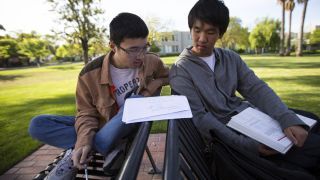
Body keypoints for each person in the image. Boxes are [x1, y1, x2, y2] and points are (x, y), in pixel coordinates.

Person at [169, 0, 320, 177]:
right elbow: (202, 119)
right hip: (228, 139)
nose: (202, 38)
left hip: (253, 120)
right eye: (197, 30)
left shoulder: (230, 58)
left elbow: (257, 88)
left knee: (310, 124)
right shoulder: (181, 70)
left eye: (210, 32)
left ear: (220, 34)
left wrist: (286, 118)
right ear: (190, 29)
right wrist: (250, 146)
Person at [29, 12, 169, 179]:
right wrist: (83, 141)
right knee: (37, 124)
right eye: (133, 50)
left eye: (144, 47)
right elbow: (86, 113)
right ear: (112, 46)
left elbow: (166, 75)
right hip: (102, 123)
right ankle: (106, 146)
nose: (140, 55)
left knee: (135, 103)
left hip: (129, 125)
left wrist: (151, 87)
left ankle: (76, 155)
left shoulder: (152, 61)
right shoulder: (89, 74)